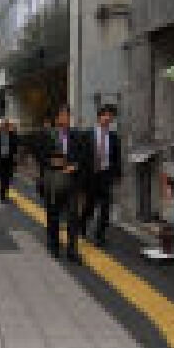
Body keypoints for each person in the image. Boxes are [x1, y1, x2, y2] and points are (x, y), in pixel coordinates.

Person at [43, 104, 83, 262]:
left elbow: (83, 155)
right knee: (53, 215)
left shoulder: (77, 135)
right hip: (53, 182)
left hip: (72, 182)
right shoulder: (48, 135)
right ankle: (54, 245)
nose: (64, 119)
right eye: (61, 116)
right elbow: (41, 155)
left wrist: (75, 165)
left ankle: (72, 250)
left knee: (73, 217)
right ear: (56, 119)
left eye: (67, 115)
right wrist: (51, 161)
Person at [81, 105, 122, 247]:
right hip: (91, 175)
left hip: (106, 174)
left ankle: (100, 235)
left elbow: (117, 158)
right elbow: (83, 156)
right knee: (90, 205)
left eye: (111, 116)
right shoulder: (87, 134)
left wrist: (117, 175)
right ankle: (82, 227)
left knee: (105, 206)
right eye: (106, 115)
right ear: (99, 116)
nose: (108, 118)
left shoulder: (114, 137)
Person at [0, 119, 18, 202]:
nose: (6, 128)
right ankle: (3, 195)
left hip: (9, 159)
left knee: (8, 178)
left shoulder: (13, 136)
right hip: (0, 160)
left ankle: (5, 192)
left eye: (7, 126)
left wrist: (15, 158)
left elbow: (15, 147)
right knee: (2, 177)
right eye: (4, 126)